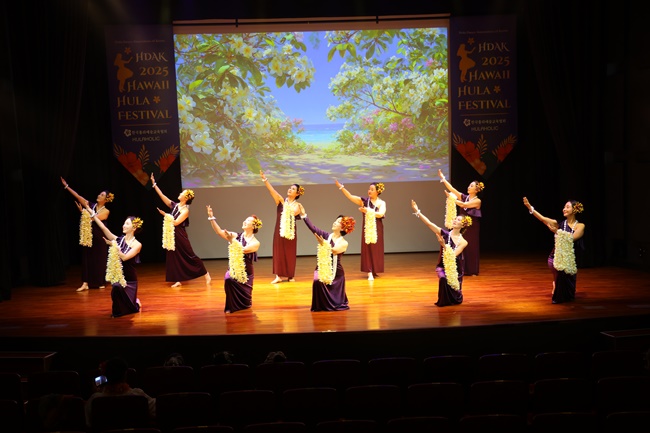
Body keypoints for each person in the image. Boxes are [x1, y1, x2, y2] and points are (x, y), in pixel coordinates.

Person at [151, 173, 210, 288]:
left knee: (190, 255)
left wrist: (165, 215)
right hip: (171, 235)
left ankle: (206, 274)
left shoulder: (185, 211)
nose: (179, 194)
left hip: (180, 235)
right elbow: (162, 196)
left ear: (186, 198)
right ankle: (178, 279)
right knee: (174, 257)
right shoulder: (174, 205)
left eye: (182, 193)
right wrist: (154, 184)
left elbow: (176, 222)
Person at [523, 197, 586, 304]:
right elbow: (543, 218)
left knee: (569, 289)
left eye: (567, 207)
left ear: (574, 210)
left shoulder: (580, 226)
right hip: (555, 258)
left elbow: (571, 238)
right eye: (564, 207)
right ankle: (557, 288)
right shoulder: (560, 223)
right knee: (560, 275)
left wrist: (557, 231)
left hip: (569, 260)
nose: (564, 209)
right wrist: (530, 207)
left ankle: (557, 284)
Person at [85, 204, 143, 318]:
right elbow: (103, 228)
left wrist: (114, 246)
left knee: (131, 307)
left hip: (129, 277)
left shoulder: (137, 244)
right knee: (116, 288)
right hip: (118, 274)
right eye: (124, 223)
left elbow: (124, 257)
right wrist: (92, 214)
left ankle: (135, 303)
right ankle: (117, 311)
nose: (123, 225)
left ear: (134, 228)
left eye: (127, 224)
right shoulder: (119, 240)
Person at [411, 200, 471, 307]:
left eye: (458, 220)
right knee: (443, 278)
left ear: (463, 225)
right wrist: (417, 211)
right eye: (455, 218)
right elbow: (429, 224)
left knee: (454, 287)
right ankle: (443, 301)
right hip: (442, 265)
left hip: (456, 267)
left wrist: (443, 245)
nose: (455, 220)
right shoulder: (445, 234)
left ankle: (454, 298)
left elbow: (453, 255)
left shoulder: (463, 242)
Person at [61, 177, 114, 292]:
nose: (99, 195)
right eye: (99, 194)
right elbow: (78, 197)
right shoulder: (91, 205)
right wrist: (66, 186)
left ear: (106, 199)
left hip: (99, 238)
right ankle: (85, 283)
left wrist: (83, 211)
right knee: (86, 259)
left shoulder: (106, 211)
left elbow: (94, 218)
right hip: (88, 236)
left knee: (99, 259)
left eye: (102, 195)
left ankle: (100, 282)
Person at [206, 205, 261, 313]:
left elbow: (242, 250)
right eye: (245, 219)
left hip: (246, 271)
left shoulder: (255, 242)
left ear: (254, 226)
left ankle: (244, 304)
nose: (244, 221)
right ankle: (231, 305)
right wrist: (211, 218)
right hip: (233, 267)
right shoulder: (237, 236)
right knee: (228, 279)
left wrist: (232, 241)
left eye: (248, 220)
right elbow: (219, 232)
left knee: (245, 298)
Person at [299, 205, 355, 311]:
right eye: (335, 220)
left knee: (322, 282)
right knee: (317, 280)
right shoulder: (326, 236)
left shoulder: (344, 243)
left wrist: (324, 244)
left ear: (343, 228)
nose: (334, 222)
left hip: (335, 271)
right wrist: (304, 215)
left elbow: (334, 250)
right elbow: (313, 229)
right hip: (322, 266)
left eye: (338, 222)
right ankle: (320, 305)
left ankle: (333, 303)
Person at [334, 179, 386, 281]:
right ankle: (369, 271)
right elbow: (350, 196)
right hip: (367, 229)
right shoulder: (364, 201)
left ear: (377, 191)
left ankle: (374, 270)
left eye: (372, 189)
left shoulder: (381, 203)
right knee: (368, 249)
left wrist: (368, 211)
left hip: (377, 228)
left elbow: (381, 214)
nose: (369, 191)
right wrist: (341, 187)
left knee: (376, 249)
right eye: (369, 189)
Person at [85, 356, 156, 428]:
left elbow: (86, 423)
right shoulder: (138, 395)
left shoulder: (95, 399)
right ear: (125, 374)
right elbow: (156, 409)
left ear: (105, 376)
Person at [260, 170, 304, 284]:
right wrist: (265, 180)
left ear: (297, 194)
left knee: (290, 252)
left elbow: (293, 212)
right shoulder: (280, 200)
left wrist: (285, 204)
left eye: (293, 189)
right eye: (290, 188)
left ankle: (290, 275)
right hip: (279, 230)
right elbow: (272, 191)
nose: (290, 189)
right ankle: (278, 276)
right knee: (278, 251)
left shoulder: (298, 205)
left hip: (290, 231)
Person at [438, 169, 484, 276]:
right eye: (469, 185)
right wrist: (443, 178)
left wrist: (451, 199)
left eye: (471, 186)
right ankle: (461, 269)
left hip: (472, 227)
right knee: (459, 245)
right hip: (461, 226)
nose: (469, 187)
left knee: (471, 247)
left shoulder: (477, 201)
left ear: (477, 189)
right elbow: (452, 189)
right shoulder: (464, 197)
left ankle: (472, 270)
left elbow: (464, 205)